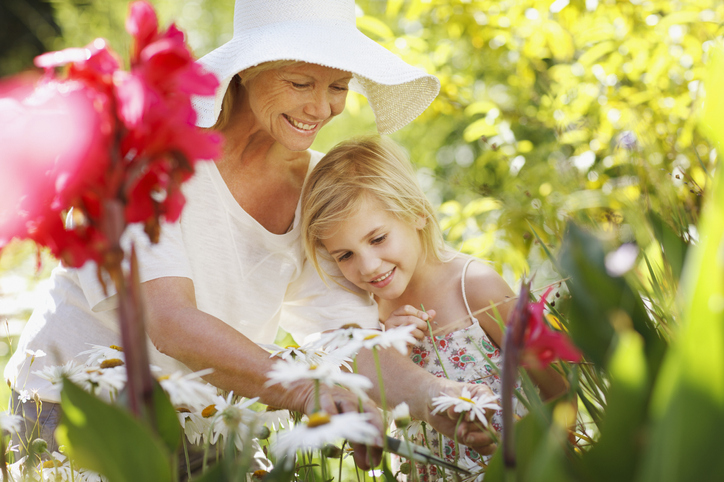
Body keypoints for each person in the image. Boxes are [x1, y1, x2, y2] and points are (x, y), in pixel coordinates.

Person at [4, 0, 498, 472]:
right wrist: (305, 389)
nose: (321, 107)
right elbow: (170, 322)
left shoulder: (320, 189)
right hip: (79, 410)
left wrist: (437, 399)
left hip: (206, 421)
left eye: (339, 86)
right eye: (301, 82)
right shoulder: (156, 155)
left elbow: (346, 336)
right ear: (247, 69)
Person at [301, 135, 571, 477]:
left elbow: (561, 391)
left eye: (378, 238)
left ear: (416, 213)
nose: (368, 266)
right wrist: (390, 350)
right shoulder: (367, 313)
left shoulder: (475, 286)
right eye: (345, 255)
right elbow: (382, 411)